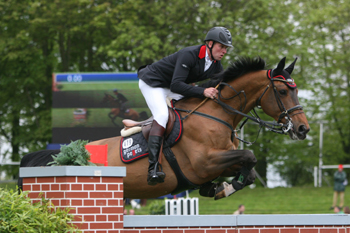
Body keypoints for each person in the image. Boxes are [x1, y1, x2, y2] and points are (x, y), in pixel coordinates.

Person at [137, 26, 233, 185]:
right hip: (153, 83)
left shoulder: (216, 64)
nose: (224, 51)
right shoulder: (189, 55)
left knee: (195, 108)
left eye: (226, 48)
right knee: (162, 115)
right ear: (209, 43)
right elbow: (176, 85)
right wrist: (202, 91)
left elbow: (219, 86)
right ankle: (153, 167)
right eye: (221, 46)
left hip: (172, 86)